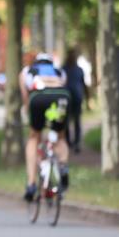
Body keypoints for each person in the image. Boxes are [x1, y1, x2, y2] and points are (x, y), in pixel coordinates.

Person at [19, 52, 70, 202]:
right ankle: (63, 166)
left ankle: (31, 184)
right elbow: (62, 85)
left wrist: (27, 113)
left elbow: (26, 98)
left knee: (34, 137)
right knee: (60, 136)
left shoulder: (27, 71)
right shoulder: (59, 71)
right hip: (61, 96)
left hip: (38, 97)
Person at [63, 48, 89, 153]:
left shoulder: (79, 70)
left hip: (77, 98)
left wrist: (87, 98)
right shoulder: (63, 69)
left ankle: (77, 142)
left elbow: (83, 84)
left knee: (76, 121)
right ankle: (68, 142)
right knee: (66, 121)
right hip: (66, 98)